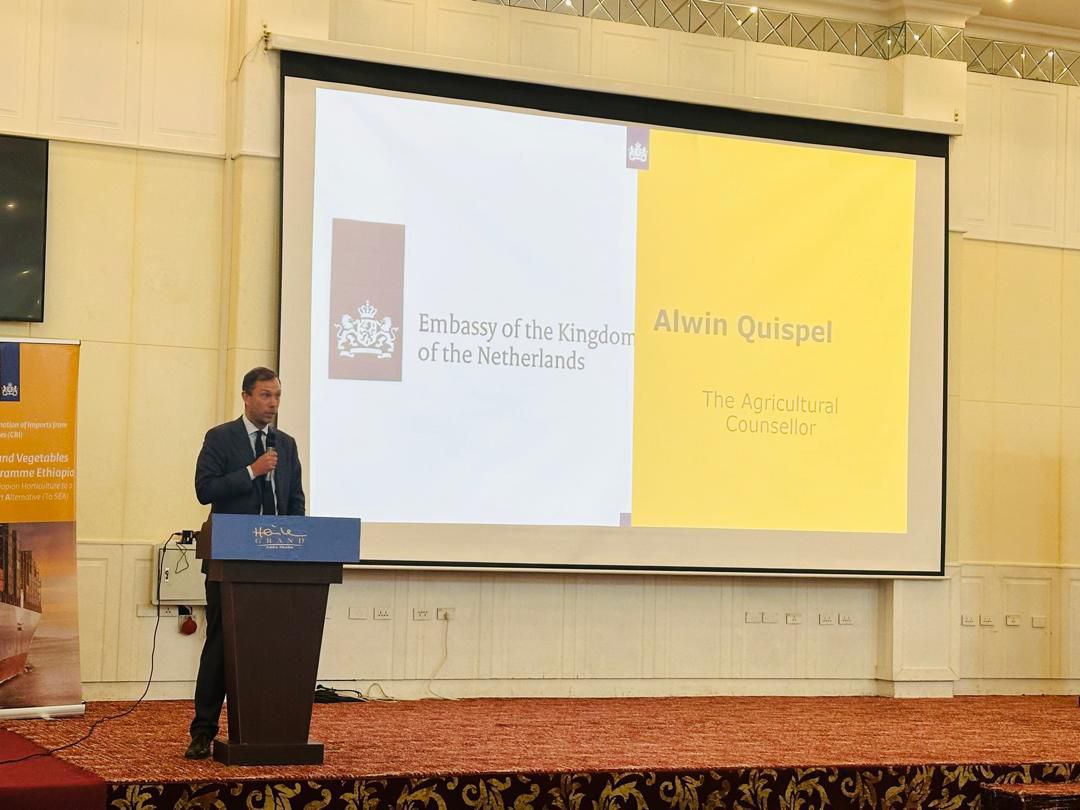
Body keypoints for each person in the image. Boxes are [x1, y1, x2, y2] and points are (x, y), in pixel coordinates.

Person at [184, 367, 305, 759]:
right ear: (246, 396)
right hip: (230, 560)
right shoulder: (220, 438)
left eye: (277, 396)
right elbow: (205, 489)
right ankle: (203, 730)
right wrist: (253, 471)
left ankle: (268, 729)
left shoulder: (286, 445)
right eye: (266, 395)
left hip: (276, 567)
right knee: (220, 645)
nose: (273, 403)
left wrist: (298, 547)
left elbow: (295, 501)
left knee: (273, 646)